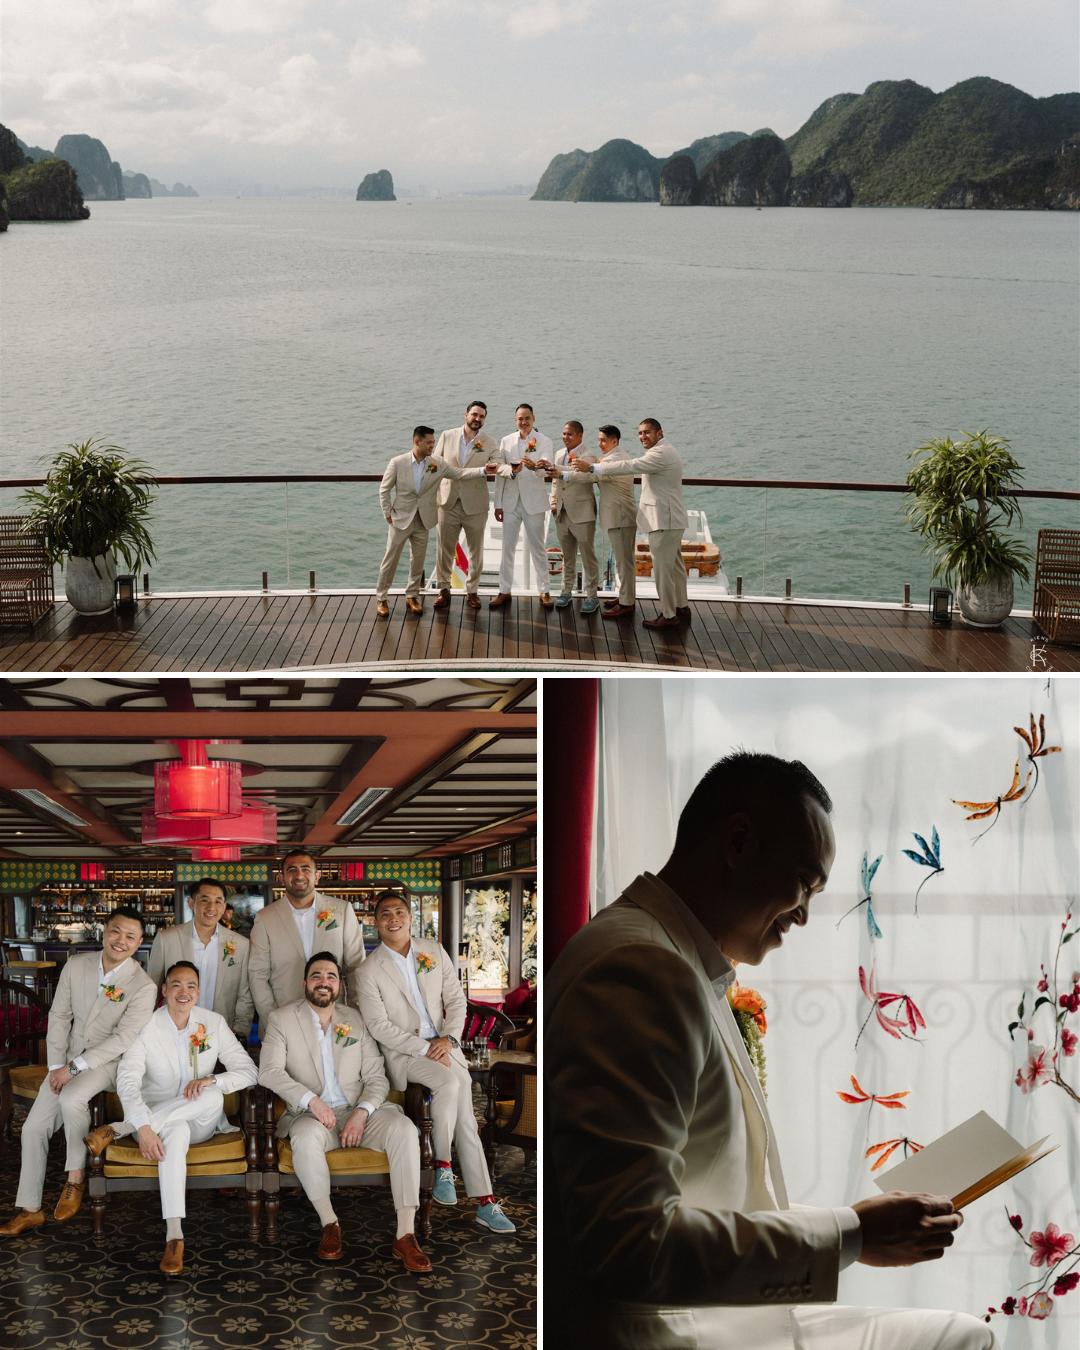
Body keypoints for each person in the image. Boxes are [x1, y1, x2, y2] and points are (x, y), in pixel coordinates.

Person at [546, 751, 993, 1350]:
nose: (804, 916)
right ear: (737, 841)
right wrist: (853, 1236)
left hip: (709, 1313)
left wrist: (856, 1229)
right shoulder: (642, 970)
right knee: (957, 1340)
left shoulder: (671, 958)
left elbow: (713, 1193)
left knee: (957, 1332)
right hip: (664, 1330)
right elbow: (628, 1246)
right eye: (805, 883)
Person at [259, 952, 432, 1270]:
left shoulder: (355, 1020)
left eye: (330, 976)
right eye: (316, 976)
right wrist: (311, 1099)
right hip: (311, 1115)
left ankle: (405, 1234)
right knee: (306, 1137)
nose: (323, 982)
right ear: (304, 983)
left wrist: (362, 1112)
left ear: (340, 985)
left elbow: (376, 1077)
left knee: (405, 1129)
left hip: (359, 1112)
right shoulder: (282, 1019)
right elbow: (268, 1072)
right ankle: (330, 1224)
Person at [356, 892, 516, 1234]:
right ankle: (444, 1164)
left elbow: (456, 1000)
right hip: (405, 1054)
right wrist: (425, 1046)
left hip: (447, 1048)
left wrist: (449, 1039)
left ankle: (482, 1199)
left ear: (410, 917)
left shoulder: (434, 950)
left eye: (399, 912)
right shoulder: (368, 970)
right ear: (375, 921)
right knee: (452, 1084)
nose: (393, 918)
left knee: (467, 1123)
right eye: (385, 914)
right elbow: (379, 1026)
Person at [84, 960, 258, 1274]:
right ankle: (174, 1235)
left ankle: (120, 1128)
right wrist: (145, 1126)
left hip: (199, 1120)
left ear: (198, 992)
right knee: (175, 1132)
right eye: (176, 984)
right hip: (151, 1124)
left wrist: (212, 1080)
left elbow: (249, 1071)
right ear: (164, 990)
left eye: (191, 986)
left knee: (214, 1093)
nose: (184, 992)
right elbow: (127, 1080)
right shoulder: (145, 1026)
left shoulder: (213, 1023)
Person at [0, 908, 156, 1236]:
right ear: (104, 931)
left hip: (110, 1062)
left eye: (130, 936)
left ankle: (75, 1179)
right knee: (32, 1130)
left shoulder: (143, 985)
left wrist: (73, 1069)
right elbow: (59, 1017)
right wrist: (56, 1066)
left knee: (72, 1099)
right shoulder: (76, 965)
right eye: (116, 931)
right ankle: (30, 1209)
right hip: (66, 1060)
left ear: (140, 942)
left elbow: (123, 1039)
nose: (121, 941)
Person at [574, 417, 689, 630]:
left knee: (663, 571)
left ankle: (669, 615)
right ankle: (682, 607)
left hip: (664, 519)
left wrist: (592, 468)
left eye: (647, 433)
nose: (642, 437)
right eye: (640, 433)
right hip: (671, 518)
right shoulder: (666, 451)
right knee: (675, 567)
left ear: (659, 433)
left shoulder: (660, 453)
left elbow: (631, 465)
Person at [375, 425, 494, 618]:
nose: (433, 445)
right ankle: (381, 598)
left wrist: (482, 470)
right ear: (417, 441)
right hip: (400, 520)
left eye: (434, 441)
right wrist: (387, 512)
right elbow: (384, 489)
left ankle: (412, 595)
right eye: (429, 442)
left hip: (424, 520)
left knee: (418, 561)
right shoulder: (397, 462)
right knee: (391, 559)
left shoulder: (437, 463)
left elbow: (459, 474)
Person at [249, 849, 366, 1029]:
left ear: (317, 876)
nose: (299, 875)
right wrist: (271, 1016)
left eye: (306, 869)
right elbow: (257, 974)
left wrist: (352, 1011)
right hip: (285, 1014)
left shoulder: (341, 910)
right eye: (291, 870)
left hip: (335, 1013)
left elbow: (356, 966)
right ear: (281, 877)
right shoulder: (265, 917)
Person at [148, 878, 255, 1040]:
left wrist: (239, 1031)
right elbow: (152, 988)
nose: (212, 907)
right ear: (191, 903)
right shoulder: (166, 939)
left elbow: (244, 994)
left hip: (221, 1032)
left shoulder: (241, 944)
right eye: (204, 900)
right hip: (172, 1031)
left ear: (224, 906)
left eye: (218, 901)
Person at [432, 401, 501, 610]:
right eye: (474, 415)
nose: (477, 419)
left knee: (476, 551)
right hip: (447, 501)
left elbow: (497, 462)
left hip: (475, 505)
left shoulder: (489, 442)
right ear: (466, 415)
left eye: (481, 416)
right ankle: (444, 590)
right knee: (444, 549)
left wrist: (497, 466)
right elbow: (435, 463)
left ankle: (472, 591)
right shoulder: (447, 435)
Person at [491, 403, 554, 610]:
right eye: (520, 419)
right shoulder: (506, 441)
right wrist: (498, 504)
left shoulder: (545, 441)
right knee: (507, 548)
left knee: (538, 548)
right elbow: (501, 473)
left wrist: (536, 467)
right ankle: (504, 590)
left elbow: (547, 468)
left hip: (534, 502)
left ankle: (544, 590)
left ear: (533, 419)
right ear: (515, 420)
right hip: (510, 502)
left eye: (527, 418)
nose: (524, 422)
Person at [589, 425, 639, 621]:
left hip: (621, 516)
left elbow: (591, 474)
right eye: (599, 439)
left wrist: (560, 471)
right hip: (619, 516)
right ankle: (624, 597)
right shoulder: (614, 456)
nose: (599, 444)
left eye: (603, 440)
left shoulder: (615, 459)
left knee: (625, 561)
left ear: (614, 441)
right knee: (622, 560)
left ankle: (627, 604)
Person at [549, 421, 600, 615]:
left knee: (588, 556)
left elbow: (588, 477)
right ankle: (565, 591)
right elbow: (555, 481)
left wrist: (562, 473)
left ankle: (592, 595)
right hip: (561, 512)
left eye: (569, 434)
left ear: (580, 435)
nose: (565, 437)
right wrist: (553, 503)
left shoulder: (589, 456)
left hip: (583, 513)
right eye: (564, 433)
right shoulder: (558, 454)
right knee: (567, 556)